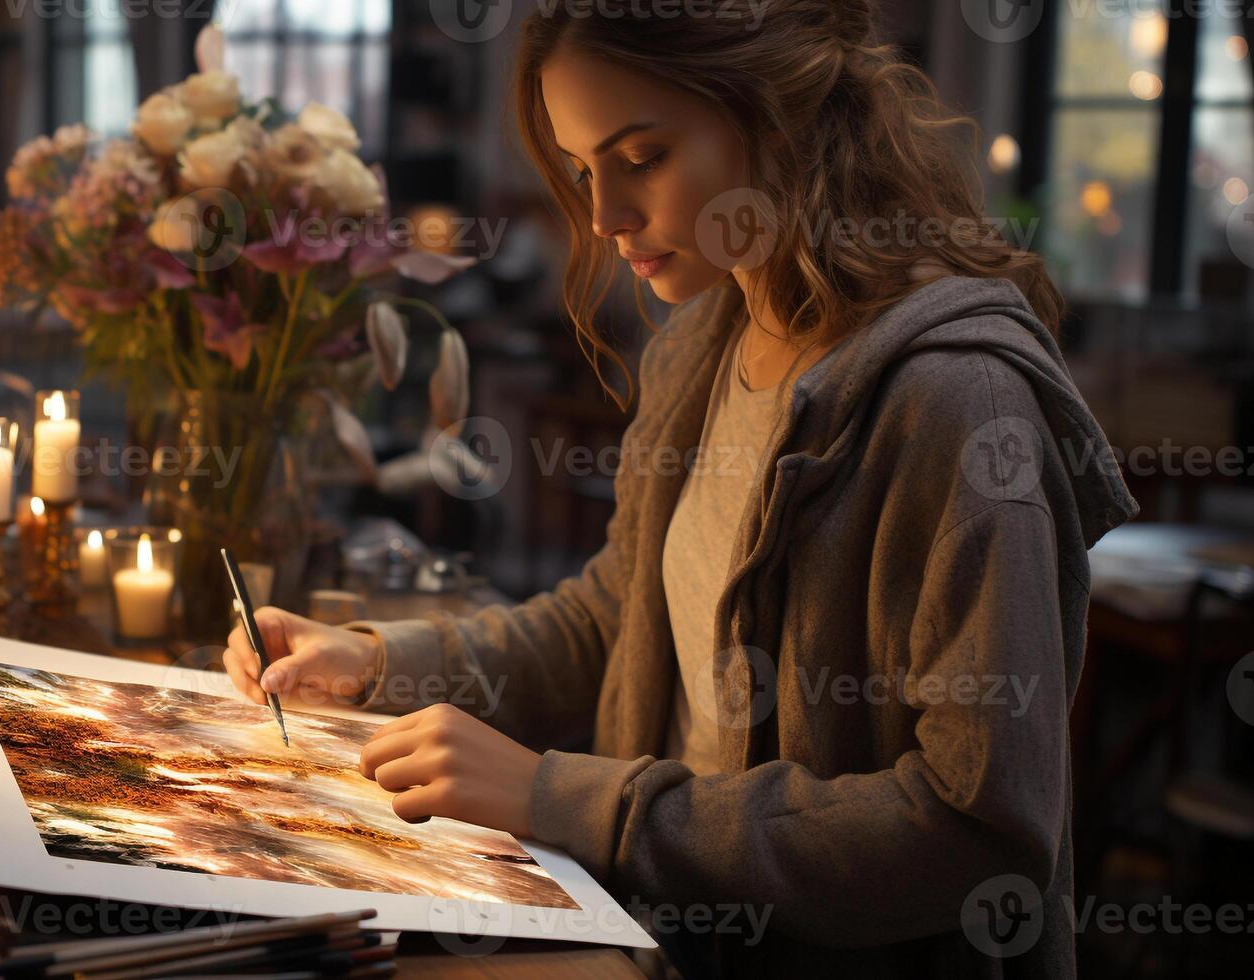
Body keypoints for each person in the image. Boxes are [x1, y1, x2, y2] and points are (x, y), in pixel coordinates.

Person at [224, 2, 1136, 975]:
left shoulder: (954, 402)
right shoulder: (709, 334)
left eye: (642, 156)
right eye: (584, 170)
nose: (604, 217)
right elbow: (617, 618)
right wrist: (377, 662)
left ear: (775, 117)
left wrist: (561, 797)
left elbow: (977, 832)